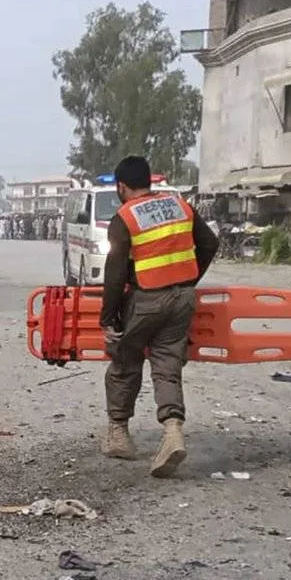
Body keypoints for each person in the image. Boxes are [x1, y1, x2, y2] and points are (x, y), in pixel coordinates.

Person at [99, 155, 220, 478]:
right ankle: (172, 431)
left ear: (121, 187)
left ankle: (119, 435)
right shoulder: (180, 206)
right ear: (150, 182)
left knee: (125, 359)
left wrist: (108, 319)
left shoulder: (125, 218)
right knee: (167, 364)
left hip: (146, 299)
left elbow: (114, 273)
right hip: (182, 299)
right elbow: (209, 243)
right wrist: (188, 279)